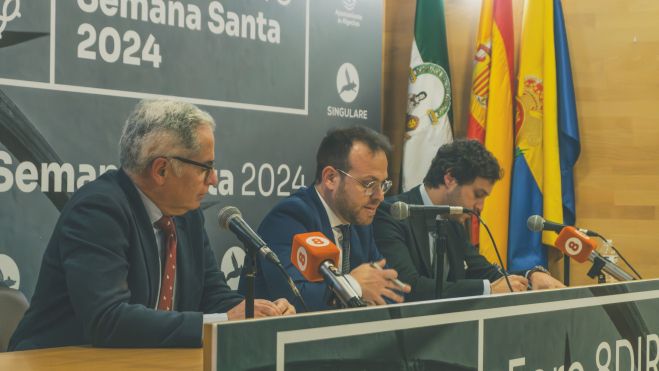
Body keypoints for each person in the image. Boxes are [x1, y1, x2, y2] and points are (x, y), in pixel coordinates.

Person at [9, 100, 294, 351]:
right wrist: (221, 321)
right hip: (54, 360)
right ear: (161, 170)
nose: (214, 179)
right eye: (206, 167)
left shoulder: (186, 215)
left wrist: (255, 313)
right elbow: (108, 320)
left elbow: (212, 296)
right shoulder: (99, 209)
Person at [241, 126, 410, 312]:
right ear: (330, 178)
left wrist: (364, 292)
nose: (379, 196)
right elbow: (296, 298)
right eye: (369, 184)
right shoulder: (290, 218)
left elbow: (389, 292)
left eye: (383, 184)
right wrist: (353, 285)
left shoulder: (358, 220)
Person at [373, 139, 564, 302]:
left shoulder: (454, 220)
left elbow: (483, 271)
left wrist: (531, 276)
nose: (480, 207)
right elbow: (408, 286)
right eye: (477, 194)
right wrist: (488, 290)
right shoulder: (392, 214)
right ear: (450, 179)